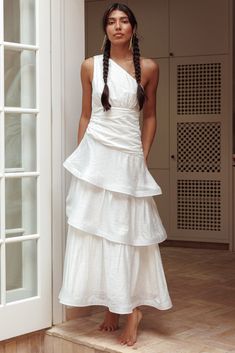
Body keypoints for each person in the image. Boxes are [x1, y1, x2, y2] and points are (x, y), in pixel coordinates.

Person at [58, 2, 172, 347]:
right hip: (96, 156)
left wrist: (143, 155)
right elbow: (85, 115)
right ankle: (112, 306)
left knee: (126, 231)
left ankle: (132, 310)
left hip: (127, 158)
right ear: (105, 29)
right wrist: (82, 161)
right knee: (99, 231)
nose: (118, 27)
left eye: (124, 21)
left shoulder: (149, 67)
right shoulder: (90, 66)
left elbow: (149, 115)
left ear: (133, 28)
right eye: (111, 22)